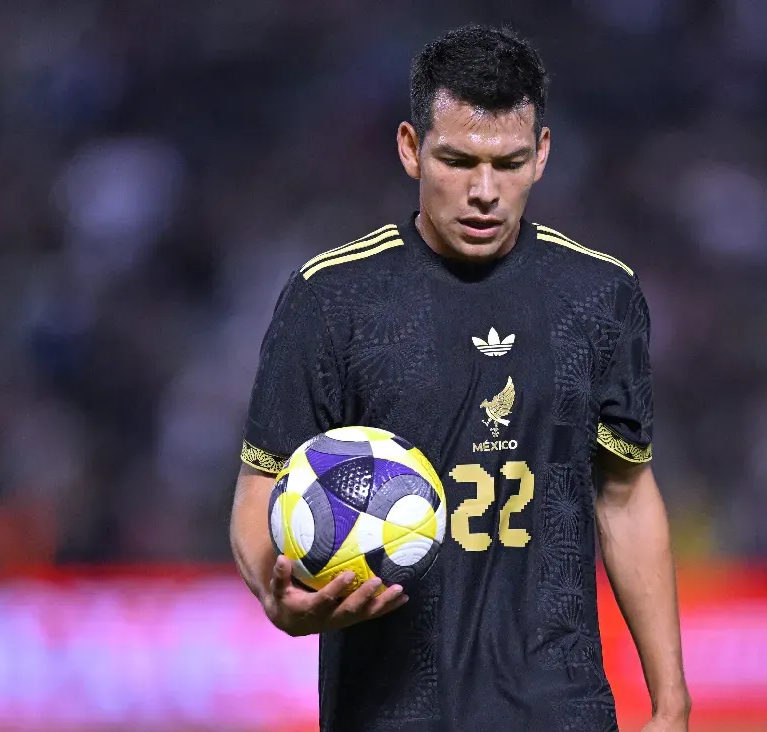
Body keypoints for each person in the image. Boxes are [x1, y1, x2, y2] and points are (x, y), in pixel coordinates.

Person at [229, 24, 689, 732]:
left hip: (559, 708)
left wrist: (671, 701)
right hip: (392, 713)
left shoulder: (600, 297)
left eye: (508, 163)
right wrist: (276, 595)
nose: (484, 192)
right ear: (410, 148)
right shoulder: (332, 298)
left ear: (542, 154)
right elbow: (262, 486)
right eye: (457, 160)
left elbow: (624, 496)